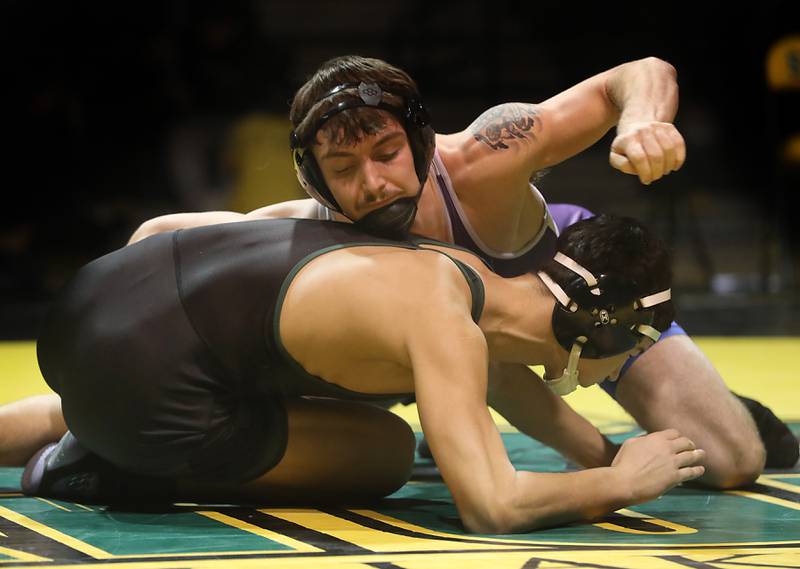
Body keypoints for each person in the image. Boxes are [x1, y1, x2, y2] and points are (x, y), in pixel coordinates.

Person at [124, 55, 794, 477]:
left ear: (419, 141)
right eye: (344, 169)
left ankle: (728, 406)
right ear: (316, 183)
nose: (375, 182)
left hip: (574, 291)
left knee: (732, 460)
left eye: (387, 152)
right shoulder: (318, 225)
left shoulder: (485, 155)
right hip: (473, 345)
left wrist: (642, 121)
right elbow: (164, 236)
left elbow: (636, 73)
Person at [23, 213, 704, 534]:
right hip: (143, 388)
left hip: (108, 306)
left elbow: (501, 376)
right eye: (639, 342)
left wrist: (603, 449)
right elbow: (491, 506)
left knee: (201, 368)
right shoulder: (446, 321)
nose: (634, 358)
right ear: (605, 324)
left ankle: (87, 427)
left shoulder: (456, 267)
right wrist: (618, 482)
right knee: (383, 451)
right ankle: (108, 465)